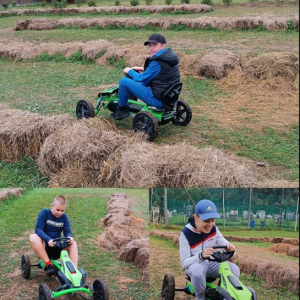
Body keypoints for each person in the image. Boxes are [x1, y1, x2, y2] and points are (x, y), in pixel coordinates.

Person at [179, 199, 240, 300]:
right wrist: (200, 256)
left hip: (212, 264)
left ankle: (226, 296)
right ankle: (200, 298)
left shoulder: (213, 229)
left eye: (213, 220)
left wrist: (230, 248)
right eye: (206, 221)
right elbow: (184, 263)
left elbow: (224, 244)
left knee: (233, 269)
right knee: (197, 270)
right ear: (196, 218)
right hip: (195, 266)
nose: (210, 225)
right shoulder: (185, 234)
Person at [112, 33, 181, 120]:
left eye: (155, 45)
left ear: (163, 45)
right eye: (150, 45)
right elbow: (163, 72)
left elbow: (140, 78)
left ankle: (121, 110)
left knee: (124, 81)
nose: (151, 48)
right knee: (142, 83)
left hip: (158, 100)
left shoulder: (157, 62)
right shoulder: (169, 57)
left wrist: (129, 70)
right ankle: (129, 98)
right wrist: (142, 69)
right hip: (169, 97)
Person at [29, 195, 78, 276]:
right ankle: (49, 265)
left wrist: (69, 237)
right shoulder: (45, 213)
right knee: (33, 237)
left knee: (73, 243)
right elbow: (38, 229)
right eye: (58, 210)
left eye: (62, 211)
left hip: (57, 245)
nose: (60, 213)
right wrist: (48, 240)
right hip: (45, 246)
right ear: (52, 206)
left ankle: (74, 271)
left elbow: (67, 231)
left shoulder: (64, 217)